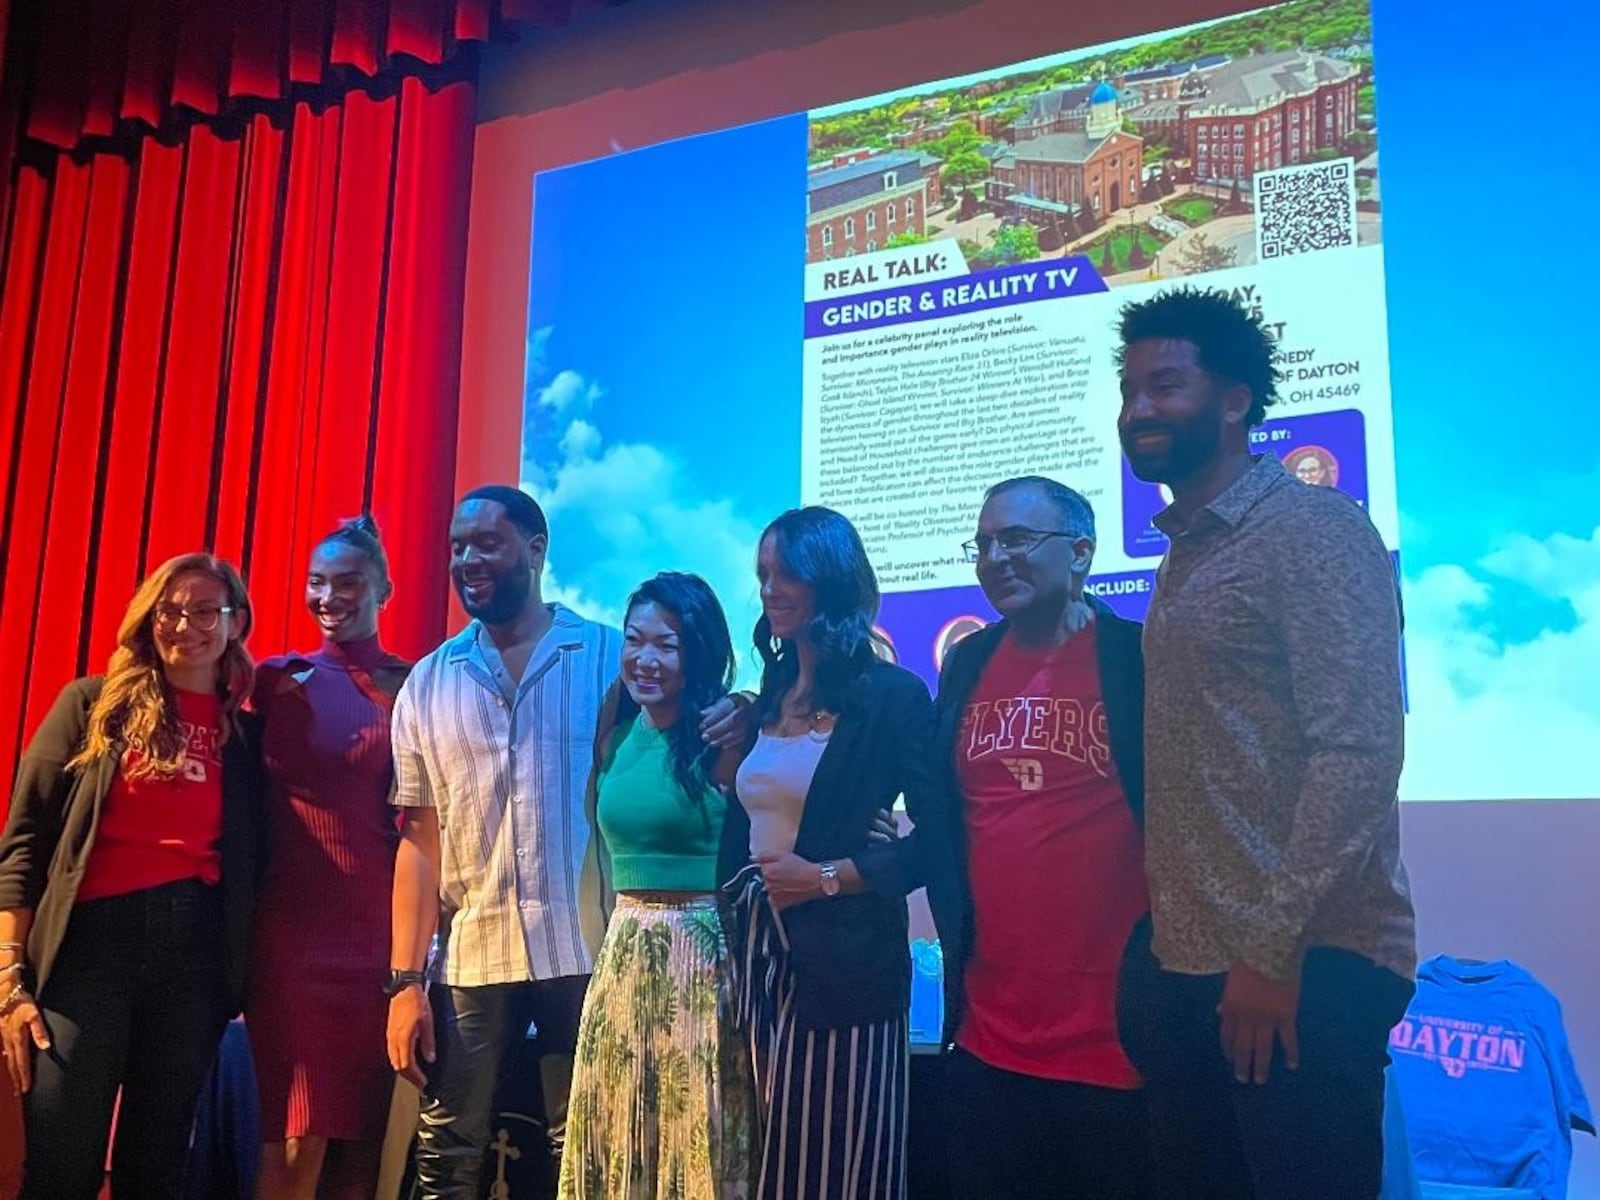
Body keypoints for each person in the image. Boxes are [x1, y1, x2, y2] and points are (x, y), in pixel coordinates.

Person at [1114, 286, 1415, 1198]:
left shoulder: (1312, 530)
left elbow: (1359, 753)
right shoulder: (1189, 548)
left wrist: (1271, 950)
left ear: (1235, 399)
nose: (1139, 412)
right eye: (1129, 392)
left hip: (1301, 971)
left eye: (1166, 385)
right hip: (1198, 965)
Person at [386, 486, 747, 1197]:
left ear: (536, 549)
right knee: (447, 1147)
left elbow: (703, 696)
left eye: (487, 542)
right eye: (458, 546)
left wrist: (747, 706)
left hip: (585, 949)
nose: (468, 559)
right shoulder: (428, 684)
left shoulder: (609, 657)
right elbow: (418, 840)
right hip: (473, 950)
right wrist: (404, 983)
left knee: (584, 1141)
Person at [893, 476, 1153, 1199]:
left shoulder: (1140, 658)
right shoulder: (967, 663)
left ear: (1081, 553)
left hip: (1120, 1042)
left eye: (1015, 538)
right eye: (982, 543)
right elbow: (948, 822)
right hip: (988, 1036)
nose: (993, 557)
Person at [0, 553, 261, 1198]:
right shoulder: (91, 706)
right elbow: (23, 845)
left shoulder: (247, 739)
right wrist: (10, 977)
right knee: (62, 1155)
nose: (184, 625)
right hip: (88, 952)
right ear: (148, 617)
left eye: (205, 611)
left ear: (234, 623)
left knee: (159, 1163)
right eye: (169, 609)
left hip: (193, 960)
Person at [721, 505, 936, 1200]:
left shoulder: (893, 696)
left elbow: (941, 840)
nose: (770, 589)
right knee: (766, 1165)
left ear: (831, 578)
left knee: (842, 1168)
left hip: (847, 970)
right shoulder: (768, 697)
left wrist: (829, 877)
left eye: (788, 573)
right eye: (762, 574)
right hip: (758, 964)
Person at [558, 572, 755, 1199]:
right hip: (623, 952)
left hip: (701, 953)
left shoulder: (724, 733)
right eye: (634, 640)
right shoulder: (615, 723)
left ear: (695, 650)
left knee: (694, 1128)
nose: (646, 659)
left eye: (665, 645)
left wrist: (746, 707)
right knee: (619, 1129)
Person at [248, 516, 412, 1199]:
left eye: (348, 583)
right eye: (317, 583)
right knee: (294, 1138)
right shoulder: (272, 684)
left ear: (384, 590)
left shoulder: (415, 688)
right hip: (289, 943)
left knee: (364, 1150)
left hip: (378, 944)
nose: (328, 596)